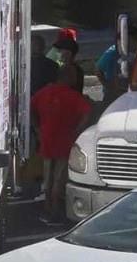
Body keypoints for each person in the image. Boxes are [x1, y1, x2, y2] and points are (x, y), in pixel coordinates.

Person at [30, 67, 92, 223]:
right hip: (65, 139)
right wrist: (78, 130)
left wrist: (37, 128)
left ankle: (47, 208)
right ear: (68, 77)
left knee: (48, 174)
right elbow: (87, 113)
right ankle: (55, 209)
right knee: (59, 176)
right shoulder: (73, 96)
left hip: (46, 137)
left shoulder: (44, 92)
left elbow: (30, 108)